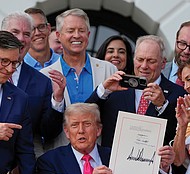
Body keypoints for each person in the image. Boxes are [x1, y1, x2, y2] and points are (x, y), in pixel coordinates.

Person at [36, 102, 175, 174]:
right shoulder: (50, 161)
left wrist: (164, 168)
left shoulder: (119, 156)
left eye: (87, 124)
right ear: (66, 132)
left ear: (98, 130)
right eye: (74, 125)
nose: (81, 131)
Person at [86, 35, 186, 149]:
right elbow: (84, 115)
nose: (144, 66)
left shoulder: (178, 94)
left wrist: (162, 106)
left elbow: (177, 136)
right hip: (112, 163)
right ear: (134, 59)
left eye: (151, 61)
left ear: (163, 63)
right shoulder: (116, 88)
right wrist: (103, 90)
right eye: (140, 59)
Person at [40, 8, 117, 148]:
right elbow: (44, 129)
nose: (77, 35)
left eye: (81, 31)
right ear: (58, 35)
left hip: (100, 160)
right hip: (60, 161)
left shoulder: (109, 70)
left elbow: (114, 119)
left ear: (88, 35)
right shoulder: (45, 76)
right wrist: (57, 100)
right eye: (70, 31)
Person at [1, 12, 64, 157]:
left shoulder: (42, 81)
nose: (20, 39)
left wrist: (58, 100)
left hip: (24, 164)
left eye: (27, 34)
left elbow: (48, 132)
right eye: (15, 32)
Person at [0, 30, 36, 174]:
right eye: (3, 61)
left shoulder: (20, 98)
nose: (9, 69)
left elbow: (25, 152)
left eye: (14, 63)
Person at [171, 61, 190, 174]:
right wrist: (183, 126)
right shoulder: (185, 112)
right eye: (185, 81)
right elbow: (177, 160)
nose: (187, 86)